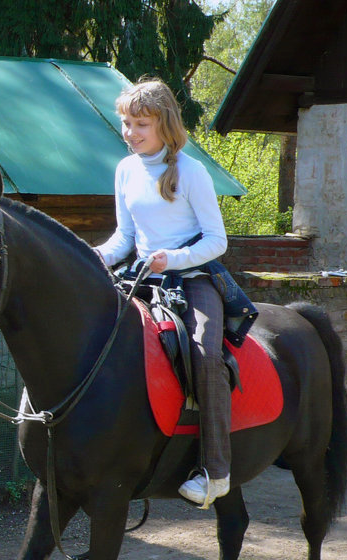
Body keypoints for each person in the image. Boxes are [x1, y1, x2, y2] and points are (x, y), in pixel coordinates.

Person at [94, 78, 231, 509]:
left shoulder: (191, 172)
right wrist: (93, 256)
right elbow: (124, 237)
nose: (131, 132)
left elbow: (217, 240)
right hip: (141, 278)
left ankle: (216, 471)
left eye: (141, 124)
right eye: (126, 123)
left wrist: (171, 259)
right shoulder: (124, 170)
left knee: (206, 357)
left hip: (194, 279)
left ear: (164, 124)